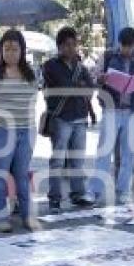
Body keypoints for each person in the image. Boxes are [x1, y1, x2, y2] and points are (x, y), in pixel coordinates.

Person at [0, 30, 40, 232]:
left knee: (22, 176)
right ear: (0, 50)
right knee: (0, 175)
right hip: (2, 132)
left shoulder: (31, 74)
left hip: (26, 131)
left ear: (23, 51)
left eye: (15, 49)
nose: (11, 53)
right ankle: (1, 218)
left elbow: (33, 102)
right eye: (6, 49)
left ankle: (27, 216)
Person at [90, 27, 134, 204]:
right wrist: (101, 78)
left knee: (129, 153)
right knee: (105, 152)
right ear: (120, 43)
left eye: (132, 46)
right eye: (126, 46)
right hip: (111, 108)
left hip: (132, 109)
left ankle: (123, 190)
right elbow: (94, 77)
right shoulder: (108, 56)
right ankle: (95, 191)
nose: (129, 50)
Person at [42, 27, 96, 211]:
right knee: (57, 160)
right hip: (61, 118)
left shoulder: (81, 67)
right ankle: (54, 197)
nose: (71, 48)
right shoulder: (50, 65)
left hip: (80, 117)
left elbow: (90, 88)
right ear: (59, 47)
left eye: (74, 44)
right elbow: (65, 87)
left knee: (77, 159)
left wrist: (81, 86)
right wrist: (79, 86)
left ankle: (78, 193)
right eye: (66, 45)